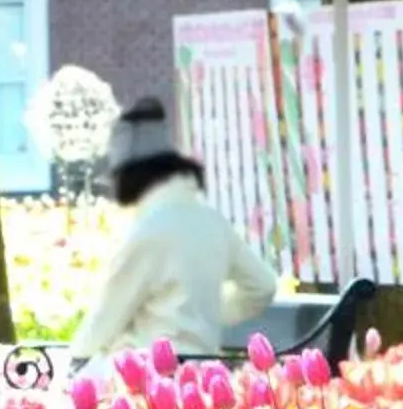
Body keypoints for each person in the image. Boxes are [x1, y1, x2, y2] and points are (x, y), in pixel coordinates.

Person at [68, 98, 279, 362]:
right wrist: (206, 312)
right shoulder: (211, 222)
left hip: (150, 379)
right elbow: (263, 286)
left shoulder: (149, 231)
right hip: (205, 374)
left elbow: (104, 320)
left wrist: (69, 370)